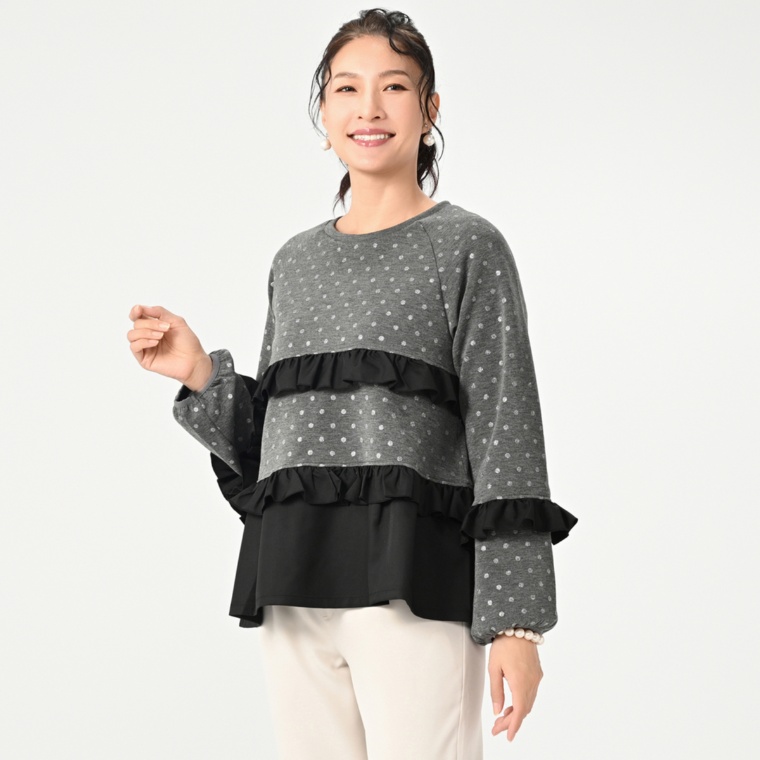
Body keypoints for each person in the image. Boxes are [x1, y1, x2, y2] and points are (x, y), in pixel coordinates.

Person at [127, 8, 578, 759]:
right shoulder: (295, 261)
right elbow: (278, 451)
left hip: (413, 580)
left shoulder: (467, 246)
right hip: (292, 578)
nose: (369, 108)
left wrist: (516, 623)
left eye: (393, 87)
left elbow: (506, 430)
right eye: (346, 89)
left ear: (429, 111)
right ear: (324, 112)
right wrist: (199, 372)